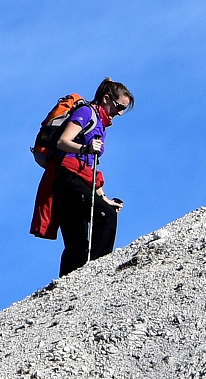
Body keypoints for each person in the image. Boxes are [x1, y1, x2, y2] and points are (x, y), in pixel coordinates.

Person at [31, 78, 131, 276]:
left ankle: (66, 289)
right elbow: (62, 141)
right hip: (67, 177)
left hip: (69, 180)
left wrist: (104, 198)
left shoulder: (100, 124)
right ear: (105, 99)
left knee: (77, 243)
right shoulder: (87, 113)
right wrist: (85, 147)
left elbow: (90, 168)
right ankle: (97, 273)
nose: (119, 113)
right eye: (119, 106)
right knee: (106, 217)